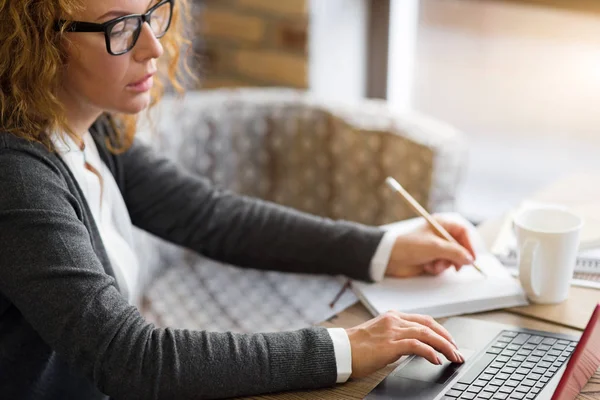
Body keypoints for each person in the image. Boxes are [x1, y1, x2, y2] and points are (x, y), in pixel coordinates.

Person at [0, 0, 476, 398]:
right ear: (41, 41)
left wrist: (381, 249)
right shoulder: (17, 177)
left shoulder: (87, 127)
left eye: (152, 13)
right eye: (120, 28)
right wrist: (346, 349)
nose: (152, 46)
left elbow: (211, 217)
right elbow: (130, 358)